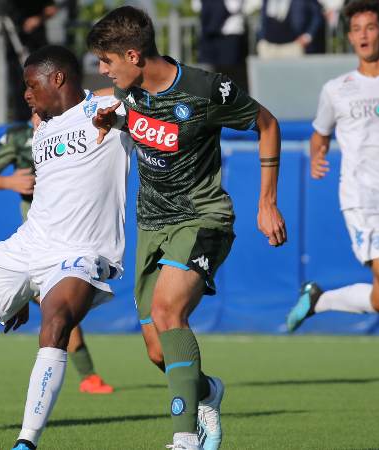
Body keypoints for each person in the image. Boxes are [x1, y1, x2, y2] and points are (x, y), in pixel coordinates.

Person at [87, 6, 286, 450]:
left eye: (107, 61)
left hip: (203, 217)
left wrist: (267, 202)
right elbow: (105, 101)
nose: (102, 70)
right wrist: (95, 115)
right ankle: (208, 391)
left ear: (134, 55)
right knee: (159, 350)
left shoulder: (206, 89)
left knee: (168, 313)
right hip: (151, 225)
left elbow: (267, 124)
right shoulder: (126, 91)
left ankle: (183, 438)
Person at [0, 45, 133, 450]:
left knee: (54, 327)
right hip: (29, 246)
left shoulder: (110, 112)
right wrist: (24, 285)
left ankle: (25, 442)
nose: (26, 94)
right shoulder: (41, 128)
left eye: (30, 84)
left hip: (82, 253)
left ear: (58, 79)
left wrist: (115, 107)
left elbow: (145, 89)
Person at [285, 1, 379, 411]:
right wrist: (317, 155)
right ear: (349, 36)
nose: (364, 34)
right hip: (361, 200)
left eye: (371, 27)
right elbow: (319, 133)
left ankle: (320, 299)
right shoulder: (337, 89)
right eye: (357, 28)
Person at [0, 113, 116, 395]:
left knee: (59, 309)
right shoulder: (17, 137)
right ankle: (87, 376)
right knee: (57, 308)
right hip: (37, 239)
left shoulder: (75, 127)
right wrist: (10, 182)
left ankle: (85, 376)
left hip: (71, 235)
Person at [191, 0, 249, 90]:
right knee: (207, 72)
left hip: (230, 35)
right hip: (209, 34)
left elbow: (234, 7)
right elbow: (196, 7)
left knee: (231, 75)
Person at [257, 0, 325, 58]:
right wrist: (261, 38)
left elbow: (317, 15)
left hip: (292, 45)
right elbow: (263, 17)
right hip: (268, 46)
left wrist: (308, 36)